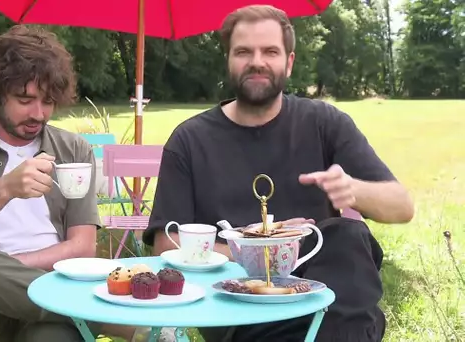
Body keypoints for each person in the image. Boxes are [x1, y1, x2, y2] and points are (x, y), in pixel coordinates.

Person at [143, 5, 414, 342]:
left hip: (322, 297)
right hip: (237, 303)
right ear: (228, 60)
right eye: (243, 51)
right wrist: (256, 251)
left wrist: (355, 190)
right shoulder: (190, 140)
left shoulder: (324, 123)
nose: (257, 61)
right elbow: (164, 243)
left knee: (348, 237)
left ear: (289, 62)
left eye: (270, 51)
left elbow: (402, 206)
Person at [0, 25, 158, 342]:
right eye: (25, 99)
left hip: (49, 294)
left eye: (47, 101)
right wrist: (5, 189)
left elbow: (82, 246)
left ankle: (76, 312)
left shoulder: (73, 150)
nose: (38, 113)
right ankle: (114, 320)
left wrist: (7, 271)